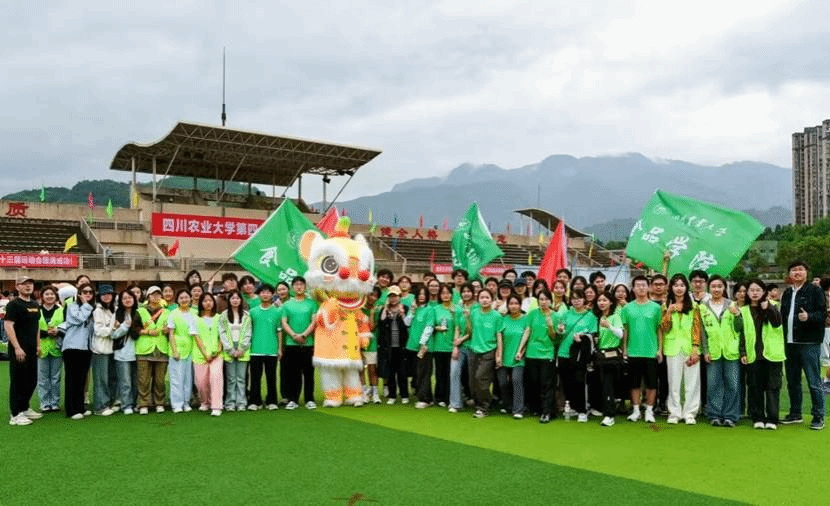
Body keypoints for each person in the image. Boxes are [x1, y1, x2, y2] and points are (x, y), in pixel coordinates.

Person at [780, 260, 826, 430]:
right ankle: (795, 413)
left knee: (813, 381)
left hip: (809, 342)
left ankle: (818, 416)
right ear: (789, 274)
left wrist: (809, 317)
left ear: (806, 272)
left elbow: (822, 314)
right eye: (794, 270)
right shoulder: (787, 292)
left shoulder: (815, 290)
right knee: (792, 381)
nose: (797, 272)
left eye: (800, 269)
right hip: (789, 342)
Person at [737, 279, 784, 429]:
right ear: (747, 293)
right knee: (754, 387)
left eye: (758, 290)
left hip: (772, 353)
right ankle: (757, 417)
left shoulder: (774, 305)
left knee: (772, 387)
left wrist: (768, 308)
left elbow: (777, 323)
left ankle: (772, 419)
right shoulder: (744, 310)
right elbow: (741, 334)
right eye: (751, 290)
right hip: (753, 354)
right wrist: (743, 352)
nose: (755, 293)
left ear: (764, 292)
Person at [699, 275, 740, 427]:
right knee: (713, 384)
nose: (716, 289)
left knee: (732, 385)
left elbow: (740, 328)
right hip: (713, 351)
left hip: (731, 350)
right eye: (713, 286)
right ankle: (714, 415)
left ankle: (730, 416)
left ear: (724, 288)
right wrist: (705, 351)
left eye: (719, 286)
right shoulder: (703, 307)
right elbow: (702, 332)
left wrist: (737, 315)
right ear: (709, 288)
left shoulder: (732, 305)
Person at [661, 274, 702, 425]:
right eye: (676, 285)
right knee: (674, 382)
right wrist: (669, 312)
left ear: (686, 287)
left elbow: (696, 328)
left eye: (682, 285)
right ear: (671, 287)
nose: (679, 288)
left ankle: (690, 413)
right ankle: (674, 412)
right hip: (672, 347)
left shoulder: (694, 306)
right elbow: (664, 328)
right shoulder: (665, 305)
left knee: (692, 382)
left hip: (690, 347)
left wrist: (695, 348)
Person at [622, 275, 663, 424]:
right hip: (633, 351)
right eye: (638, 285)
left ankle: (649, 411)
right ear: (633, 289)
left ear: (649, 287)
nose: (641, 288)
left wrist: (659, 349)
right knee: (634, 383)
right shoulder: (627, 308)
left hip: (651, 352)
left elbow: (659, 330)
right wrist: (624, 349)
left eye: (643, 285)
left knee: (652, 384)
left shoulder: (656, 308)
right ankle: (636, 410)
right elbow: (626, 330)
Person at [555, 289, 598, 423]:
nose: (576, 301)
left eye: (579, 298)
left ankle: (583, 410)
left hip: (580, 355)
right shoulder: (566, 314)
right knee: (567, 382)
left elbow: (594, 336)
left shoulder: (590, 316)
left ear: (584, 299)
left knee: (580, 381)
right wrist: (560, 330)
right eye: (573, 299)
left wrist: (583, 337)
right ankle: (573, 406)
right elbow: (560, 331)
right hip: (564, 352)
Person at [6, 275, 43, 425]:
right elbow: (8, 326)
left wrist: (38, 345)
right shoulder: (13, 305)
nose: (28, 286)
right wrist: (17, 347)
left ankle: (25, 407)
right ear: (17, 287)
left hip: (32, 348)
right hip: (19, 349)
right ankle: (15, 414)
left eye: (30, 284)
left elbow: (37, 326)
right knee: (18, 381)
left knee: (31, 380)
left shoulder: (35, 304)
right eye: (24, 284)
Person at [519, 289, 558, 423]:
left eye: (546, 299)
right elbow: (527, 331)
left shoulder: (555, 315)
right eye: (541, 299)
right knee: (534, 382)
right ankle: (537, 408)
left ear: (550, 301)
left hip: (547, 353)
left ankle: (547, 412)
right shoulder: (532, 314)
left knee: (546, 384)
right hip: (532, 352)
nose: (543, 302)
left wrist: (551, 326)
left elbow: (554, 337)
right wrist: (520, 350)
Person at [280, 277, 317, 410]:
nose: (299, 287)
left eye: (301, 284)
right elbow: (284, 322)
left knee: (308, 373)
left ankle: (309, 399)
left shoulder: (312, 303)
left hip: (308, 343)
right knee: (293, 374)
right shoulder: (287, 305)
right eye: (296, 284)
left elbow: (314, 322)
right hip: (291, 344)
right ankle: (293, 399)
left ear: (305, 287)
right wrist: (294, 336)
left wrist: (304, 335)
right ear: (292, 287)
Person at [465, 289, 502, 418]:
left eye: (487, 297)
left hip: (489, 351)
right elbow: (470, 330)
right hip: (474, 350)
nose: (484, 300)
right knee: (472, 381)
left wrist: (499, 354)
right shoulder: (474, 312)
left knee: (481, 378)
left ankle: (483, 407)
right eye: (482, 297)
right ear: (478, 299)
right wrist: (467, 318)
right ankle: (479, 402)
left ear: (492, 299)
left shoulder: (496, 316)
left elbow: (499, 335)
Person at [62, 283, 95, 420]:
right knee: (72, 379)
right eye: (84, 292)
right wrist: (86, 305)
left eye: (90, 292)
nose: (88, 294)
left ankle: (80, 406)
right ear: (79, 294)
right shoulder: (72, 306)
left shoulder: (92, 308)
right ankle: (71, 409)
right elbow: (79, 319)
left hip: (86, 348)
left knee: (81, 379)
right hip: (72, 347)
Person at [135, 286, 170, 414]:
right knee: (143, 380)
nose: (155, 297)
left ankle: (159, 402)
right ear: (148, 296)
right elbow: (134, 329)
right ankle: (143, 403)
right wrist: (147, 332)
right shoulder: (140, 311)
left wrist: (167, 331)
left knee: (160, 380)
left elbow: (171, 329)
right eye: (153, 295)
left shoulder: (167, 312)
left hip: (161, 348)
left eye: (158, 295)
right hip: (144, 348)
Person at [248, 284, 281, 410]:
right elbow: (248, 331)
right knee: (255, 378)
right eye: (262, 292)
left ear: (272, 294)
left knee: (271, 377)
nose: (265, 294)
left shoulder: (277, 311)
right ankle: (254, 401)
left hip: (271, 349)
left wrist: (279, 349)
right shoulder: (252, 312)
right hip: (255, 350)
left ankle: (272, 401)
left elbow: (279, 331)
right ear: (259, 294)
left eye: (268, 292)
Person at [496, 294, 529, 419]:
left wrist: (521, 352)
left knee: (516, 380)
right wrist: (498, 356)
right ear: (507, 305)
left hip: (519, 357)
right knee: (503, 383)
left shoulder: (526, 319)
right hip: (504, 356)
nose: (513, 306)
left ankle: (518, 409)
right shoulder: (503, 319)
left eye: (516, 303)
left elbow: (527, 338)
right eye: (511, 304)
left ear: (520, 305)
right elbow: (499, 338)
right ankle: (508, 405)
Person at [594, 291, 624, 427]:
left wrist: (609, 326)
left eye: (605, 300)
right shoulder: (599, 317)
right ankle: (604, 408)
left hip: (612, 356)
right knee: (602, 385)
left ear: (611, 302)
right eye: (599, 300)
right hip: (600, 355)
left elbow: (620, 334)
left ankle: (609, 415)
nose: (601, 303)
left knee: (608, 385)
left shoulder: (615, 317)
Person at [377, 285, 410, 404]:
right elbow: (381, 322)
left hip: (402, 345)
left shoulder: (405, 308)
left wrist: (402, 314)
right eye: (391, 296)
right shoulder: (385, 309)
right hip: (388, 346)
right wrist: (385, 309)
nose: (393, 299)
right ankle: (392, 395)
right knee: (390, 372)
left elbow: (408, 324)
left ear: (399, 297)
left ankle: (404, 395)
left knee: (402, 372)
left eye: (395, 296)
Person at [220, 290, 252, 411]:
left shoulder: (246, 315)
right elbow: (222, 333)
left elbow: (248, 332)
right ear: (229, 300)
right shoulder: (223, 315)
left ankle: (241, 403)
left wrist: (241, 348)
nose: (235, 300)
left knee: (241, 378)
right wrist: (230, 349)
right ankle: (230, 403)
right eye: (232, 298)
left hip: (243, 348)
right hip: (229, 348)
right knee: (231, 378)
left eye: (237, 298)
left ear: (241, 300)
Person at [167, 289, 198, 413]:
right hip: (178, 349)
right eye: (181, 298)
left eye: (186, 297)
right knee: (176, 378)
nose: (184, 300)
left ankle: (186, 402)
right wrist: (175, 350)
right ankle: (176, 404)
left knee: (188, 378)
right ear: (178, 300)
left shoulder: (195, 313)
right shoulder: (173, 314)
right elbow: (171, 333)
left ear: (190, 299)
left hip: (191, 348)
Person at [193, 293, 223, 416]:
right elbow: (196, 337)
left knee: (215, 378)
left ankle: (216, 406)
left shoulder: (219, 317)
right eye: (205, 301)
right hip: (200, 354)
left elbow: (222, 335)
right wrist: (205, 354)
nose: (208, 303)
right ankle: (205, 402)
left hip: (216, 354)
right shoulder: (195, 318)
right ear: (201, 303)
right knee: (201, 382)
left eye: (210, 300)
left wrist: (218, 349)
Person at [91, 284, 119, 416]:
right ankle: (100, 406)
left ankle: (110, 402)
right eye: (104, 294)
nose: (107, 296)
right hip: (100, 349)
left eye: (109, 294)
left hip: (113, 349)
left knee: (112, 377)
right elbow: (98, 331)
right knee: (101, 379)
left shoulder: (114, 309)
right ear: (99, 296)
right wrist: (112, 330)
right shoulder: (98, 310)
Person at [112, 290, 140, 415]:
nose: (127, 300)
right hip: (122, 353)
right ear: (121, 301)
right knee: (125, 382)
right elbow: (113, 334)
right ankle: (126, 405)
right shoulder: (117, 314)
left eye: (130, 297)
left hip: (138, 352)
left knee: (136, 381)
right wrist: (124, 327)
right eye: (124, 298)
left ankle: (135, 403)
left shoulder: (139, 313)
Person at [449, 283, 476, 412]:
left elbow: (474, 330)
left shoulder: (477, 308)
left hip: (473, 347)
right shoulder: (459, 308)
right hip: (460, 346)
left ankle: (477, 401)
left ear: (473, 293)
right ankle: (455, 404)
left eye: (468, 291)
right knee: (454, 372)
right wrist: (456, 345)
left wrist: (462, 339)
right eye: (464, 291)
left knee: (473, 377)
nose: (466, 294)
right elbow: (457, 327)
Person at [37, 285, 63, 413]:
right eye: (46, 294)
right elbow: (33, 328)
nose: (49, 296)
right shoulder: (36, 310)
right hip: (41, 348)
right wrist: (46, 333)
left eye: (52, 294)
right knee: (43, 378)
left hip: (57, 348)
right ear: (42, 297)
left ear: (56, 296)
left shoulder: (61, 310)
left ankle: (54, 402)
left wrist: (58, 331)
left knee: (55, 377)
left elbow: (66, 326)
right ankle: (45, 403)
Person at [429, 284, 455, 408]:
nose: (445, 295)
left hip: (452, 346)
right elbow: (430, 325)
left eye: (448, 293)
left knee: (451, 374)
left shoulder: (456, 309)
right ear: (440, 295)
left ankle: (450, 398)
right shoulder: (435, 309)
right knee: (439, 373)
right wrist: (437, 328)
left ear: (451, 295)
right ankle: (439, 397)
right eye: (443, 293)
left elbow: (460, 326)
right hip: (438, 346)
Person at [410, 286, 435, 409]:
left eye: (424, 294)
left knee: (424, 373)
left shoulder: (429, 309)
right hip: (413, 345)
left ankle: (425, 399)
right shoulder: (415, 309)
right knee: (417, 372)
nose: (421, 296)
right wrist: (412, 311)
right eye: (419, 294)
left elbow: (429, 327)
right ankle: (426, 397)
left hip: (425, 346)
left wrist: (422, 343)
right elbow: (407, 322)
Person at [362, 287, 382, 404]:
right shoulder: (359, 308)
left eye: (375, 296)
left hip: (372, 343)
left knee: (372, 369)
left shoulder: (377, 310)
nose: (372, 298)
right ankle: (364, 393)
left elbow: (372, 327)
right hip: (358, 342)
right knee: (360, 369)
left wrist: (372, 313)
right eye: (371, 294)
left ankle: (375, 393)